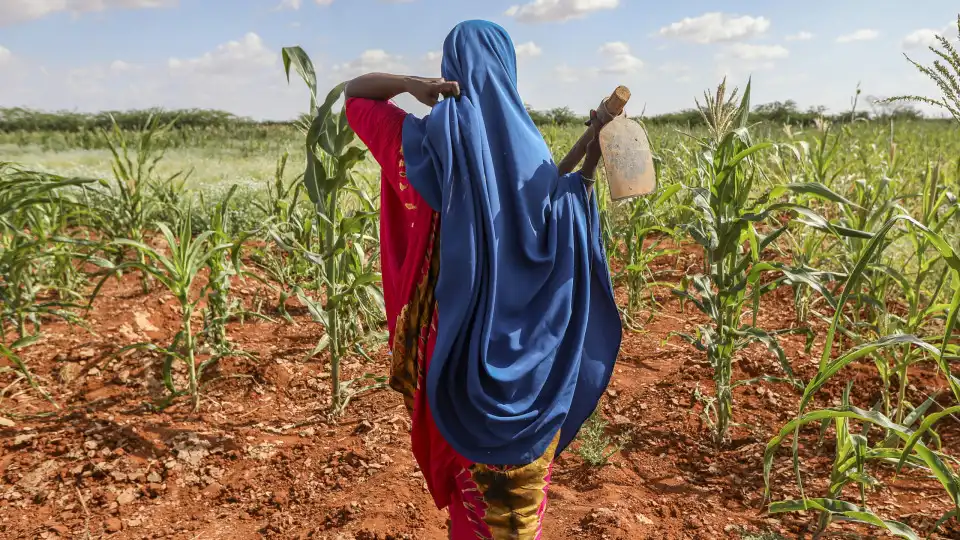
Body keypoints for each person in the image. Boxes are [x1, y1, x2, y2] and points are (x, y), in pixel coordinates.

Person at [343, 19, 622, 539]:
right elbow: (568, 224)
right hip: (535, 371)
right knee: (518, 509)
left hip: (456, 361)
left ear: (450, 71)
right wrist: (584, 178)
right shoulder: (535, 157)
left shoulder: (422, 144)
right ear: (510, 71)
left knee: (475, 507)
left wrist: (410, 85)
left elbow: (353, 94)